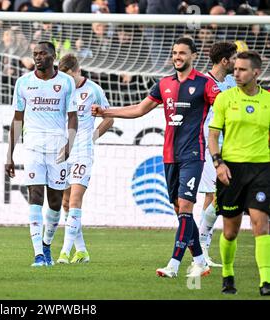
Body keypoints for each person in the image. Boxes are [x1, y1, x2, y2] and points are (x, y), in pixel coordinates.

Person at [92, 37, 219, 278]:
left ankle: (174, 264)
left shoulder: (205, 84)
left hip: (193, 154)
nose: (177, 57)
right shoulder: (164, 84)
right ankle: (201, 260)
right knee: (180, 211)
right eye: (174, 53)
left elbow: (224, 108)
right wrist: (105, 111)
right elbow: (139, 109)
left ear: (193, 55)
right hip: (170, 155)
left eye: (182, 53)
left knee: (185, 207)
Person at [5, 41, 78, 267]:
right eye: (35, 54)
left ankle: (46, 244)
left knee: (55, 202)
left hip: (58, 148)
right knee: (35, 197)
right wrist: (10, 155)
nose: (38, 57)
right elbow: (18, 119)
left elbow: (73, 116)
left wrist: (69, 144)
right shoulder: (23, 82)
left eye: (42, 53)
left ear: (53, 56)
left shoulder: (66, 82)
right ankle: (38, 254)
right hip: (33, 147)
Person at [208, 51, 270, 296]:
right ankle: (228, 274)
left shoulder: (268, 100)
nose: (236, 73)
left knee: (261, 226)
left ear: (256, 72)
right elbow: (213, 135)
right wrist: (218, 163)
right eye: (235, 69)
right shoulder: (224, 99)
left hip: (262, 169)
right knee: (230, 231)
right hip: (230, 170)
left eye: (242, 69)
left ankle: (265, 281)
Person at [56, 53, 113, 264]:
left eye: (69, 78)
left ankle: (64, 252)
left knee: (75, 200)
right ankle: (81, 251)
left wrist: (91, 138)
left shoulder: (94, 90)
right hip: (64, 151)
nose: (65, 82)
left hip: (82, 152)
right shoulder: (61, 89)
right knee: (64, 202)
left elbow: (109, 119)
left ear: (77, 71)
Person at [197, 41, 238, 268]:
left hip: (232, 147)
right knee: (212, 196)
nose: (237, 62)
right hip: (209, 147)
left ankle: (202, 248)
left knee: (220, 197)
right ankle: (201, 250)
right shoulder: (203, 83)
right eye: (234, 58)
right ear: (224, 60)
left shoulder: (232, 82)